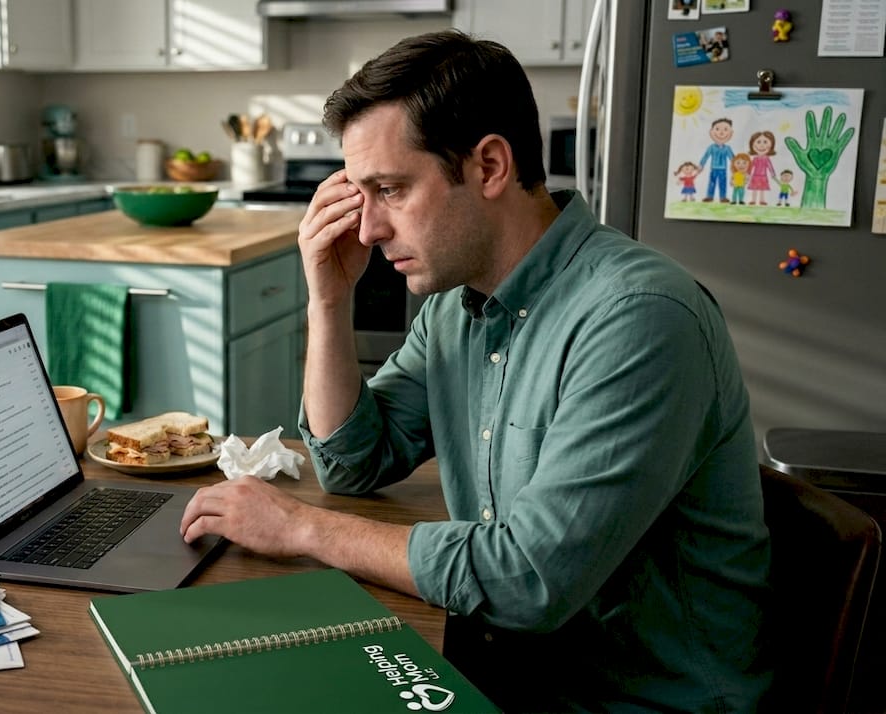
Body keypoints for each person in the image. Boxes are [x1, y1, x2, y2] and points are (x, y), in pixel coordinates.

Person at [179, 29, 771, 712]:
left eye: (391, 189)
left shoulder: (640, 318)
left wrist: (302, 528)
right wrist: (328, 299)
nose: (366, 229)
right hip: (506, 665)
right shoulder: (459, 305)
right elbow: (353, 461)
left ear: (489, 166)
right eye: (358, 193)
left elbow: (526, 581)